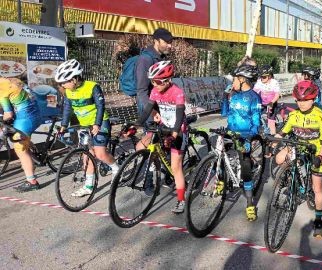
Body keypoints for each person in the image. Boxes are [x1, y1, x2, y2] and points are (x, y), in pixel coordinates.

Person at [55, 59, 120, 197]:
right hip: (85, 125)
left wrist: (97, 124)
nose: (62, 85)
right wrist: (63, 126)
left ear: (74, 79)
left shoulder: (92, 87)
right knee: (88, 155)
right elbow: (67, 109)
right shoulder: (68, 91)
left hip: (100, 122)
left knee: (101, 154)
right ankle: (89, 186)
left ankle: (116, 168)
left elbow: (100, 106)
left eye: (64, 82)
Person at [274, 80, 322, 238]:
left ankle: (318, 221)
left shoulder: (320, 115)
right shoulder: (293, 115)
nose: (302, 103)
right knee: (279, 158)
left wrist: (320, 156)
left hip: (315, 151)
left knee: (317, 187)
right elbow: (282, 133)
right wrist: (272, 141)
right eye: (299, 100)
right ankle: (292, 177)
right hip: (297, 146)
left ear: (313, 99)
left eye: (306, 100)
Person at [136, 61, 188, 213]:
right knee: (144, 146)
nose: (155, 84)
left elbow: (179, 116)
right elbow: (147, 109)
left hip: (178, 129)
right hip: (163, 126)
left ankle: (181, 200)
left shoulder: (177, 92)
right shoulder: (155, 91)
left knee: (176, 167)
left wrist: (174, 133)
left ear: (168, 80)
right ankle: (158, 170)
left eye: (158, 81)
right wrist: (136, 124)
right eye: (152, 81)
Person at [224, 64, 261, 221]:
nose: (232, 82)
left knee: (245, 164)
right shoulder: (234, 94)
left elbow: (256, 120)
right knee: (219, 154)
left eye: (234, 79)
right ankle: (220, 180)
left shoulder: (254, 97)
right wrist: (225, 97)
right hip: (230, 131)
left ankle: (250, 202)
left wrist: (250, 137)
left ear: (242, 79)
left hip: (245, 135)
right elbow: (225, 112)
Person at [0, 78, 42, 192]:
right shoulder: (12, 80)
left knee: (20, 150)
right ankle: (30, 146)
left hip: (25, 119)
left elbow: (8, 114)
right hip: (35, 113)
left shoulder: (2, 89)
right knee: (23, 141)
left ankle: (32, 181)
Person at [135, 28, 173, 119]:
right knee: (151, 133)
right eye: (166, 42)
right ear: (156, 41)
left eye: (171, 42)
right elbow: (141, 90)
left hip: (160, 105)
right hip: (149, 107)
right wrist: (151, 111)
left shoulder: (161, 57)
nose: (170, 45)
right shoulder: (145, 59)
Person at [253, 65, 281, 135]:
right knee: (255, 116)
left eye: (264, 77)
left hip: (271, 103)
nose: (262, 79)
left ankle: (272, 137)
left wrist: (272, 102)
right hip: (262, 103)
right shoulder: (259, 82)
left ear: (270, 76)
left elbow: (277, 95)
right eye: (261, 77)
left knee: (270, 120)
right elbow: (254, 92)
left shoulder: (274, 82)